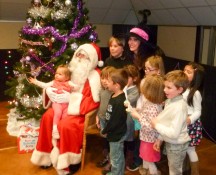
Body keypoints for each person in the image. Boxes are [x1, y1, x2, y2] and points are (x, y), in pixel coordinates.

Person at [31, 43, 102, 175]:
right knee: (47, 117)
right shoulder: (70, 70)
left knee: (65, 125)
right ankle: (45, 157)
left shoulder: (94, 76)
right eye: (78, 54)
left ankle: (69, 161)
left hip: (79, 111)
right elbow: (55, 84)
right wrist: (52, 92)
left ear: (92, 59)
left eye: (84, 56)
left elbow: (94, 100)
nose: (80, 57)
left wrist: (71, 100)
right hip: (62, 105)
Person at [151, 70, 191, 175]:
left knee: (175, 171)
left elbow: (174, 133)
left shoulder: (178, 107)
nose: (164, 90)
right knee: (172, 168)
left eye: (169, 87)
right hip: (171, 142)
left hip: (177, 145)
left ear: (180, 89)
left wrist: (156, 125)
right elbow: (167, 122)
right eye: (165, 86)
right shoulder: (170, 101)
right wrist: (160, 139)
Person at [29, 65, 76, 139]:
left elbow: (76, 88)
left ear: (67, 77)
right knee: (58, 112)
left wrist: (74, 87)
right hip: (57, 103)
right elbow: (45, 85)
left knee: (65, 116)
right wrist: (36, 82)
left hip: (66, 104)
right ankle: (55, 129)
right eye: (56, 73)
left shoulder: (69, 83)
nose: (57, 75)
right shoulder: (54, 82)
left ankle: (61, 129)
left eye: (60, 74)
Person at [130, 74, 165, 175]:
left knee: (150, 161)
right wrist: (139, 111)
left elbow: (150, 127)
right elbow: (147, 116)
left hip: (150, 139)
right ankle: (145, 170)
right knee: (146, 157)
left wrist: (138, 116)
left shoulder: (153, 107)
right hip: (147, 138)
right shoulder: (152, 102)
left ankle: (153, 173)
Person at [101, 68, 128, 175]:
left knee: (115, 157)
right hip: (114, 132)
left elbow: (115, 122)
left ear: (116, 85)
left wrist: (105, 130)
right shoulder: (114, 95)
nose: (106, 83)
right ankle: (119, 172)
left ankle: (116, 173)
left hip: (116, 134)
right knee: (117, 155)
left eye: (109, 81)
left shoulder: (119, 101)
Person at [183, 62, 205, 175]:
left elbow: (198, 111)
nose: (184, 73)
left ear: (196, 76)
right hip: (181, 123)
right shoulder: (183, 88)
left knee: (190, 150)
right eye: (184, 70)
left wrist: (189, 119)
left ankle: (195, 172)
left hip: (190, 125)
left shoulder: (195, 93)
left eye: (189, 72)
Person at [95, 66, 115, 173]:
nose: (104, 81)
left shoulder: (114, 93)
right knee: (105, 140)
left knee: (111, 141)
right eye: (102, 78)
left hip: (110, 121)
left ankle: (111, 162)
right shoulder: (102, 91)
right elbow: (101, 105)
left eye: (107, 79)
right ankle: (107, 158)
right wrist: (98, 116)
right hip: (102, 119)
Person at [123, 64, 140, 169]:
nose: (125, 80)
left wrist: (123, 89)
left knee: (130, 140)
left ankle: (129, 159)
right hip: (122, 120)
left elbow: (125, 101)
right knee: (123, 140)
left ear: (134, 78)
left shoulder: (136, 90)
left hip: (131, 121)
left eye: (127, 77)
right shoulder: (125, 88)